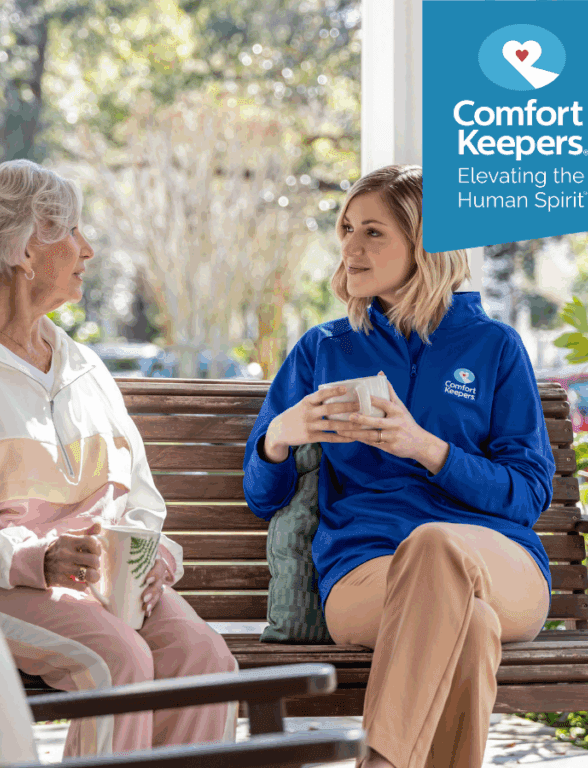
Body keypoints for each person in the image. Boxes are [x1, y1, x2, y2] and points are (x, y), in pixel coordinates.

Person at [0, 159, 237, 758]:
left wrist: (152, 559)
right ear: (23, 250)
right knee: (116, 657)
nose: (86, 249)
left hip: (94, 588)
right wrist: (34, 560)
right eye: (70, 231)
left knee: (203, 657)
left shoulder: (84, 368)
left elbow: (140, 498)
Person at [242, 164, 554, 768]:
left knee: (438, 546)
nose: (351, 247)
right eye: (346, 229)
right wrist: (278, 437)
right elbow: (262, 497)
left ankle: (380, 761)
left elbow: (528, 494)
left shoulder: (494, 349)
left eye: (373, 232)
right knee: (471, 630)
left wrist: (425, 448)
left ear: (424, 242)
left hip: (498, 561)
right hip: (366, 571)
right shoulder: (324, 349)